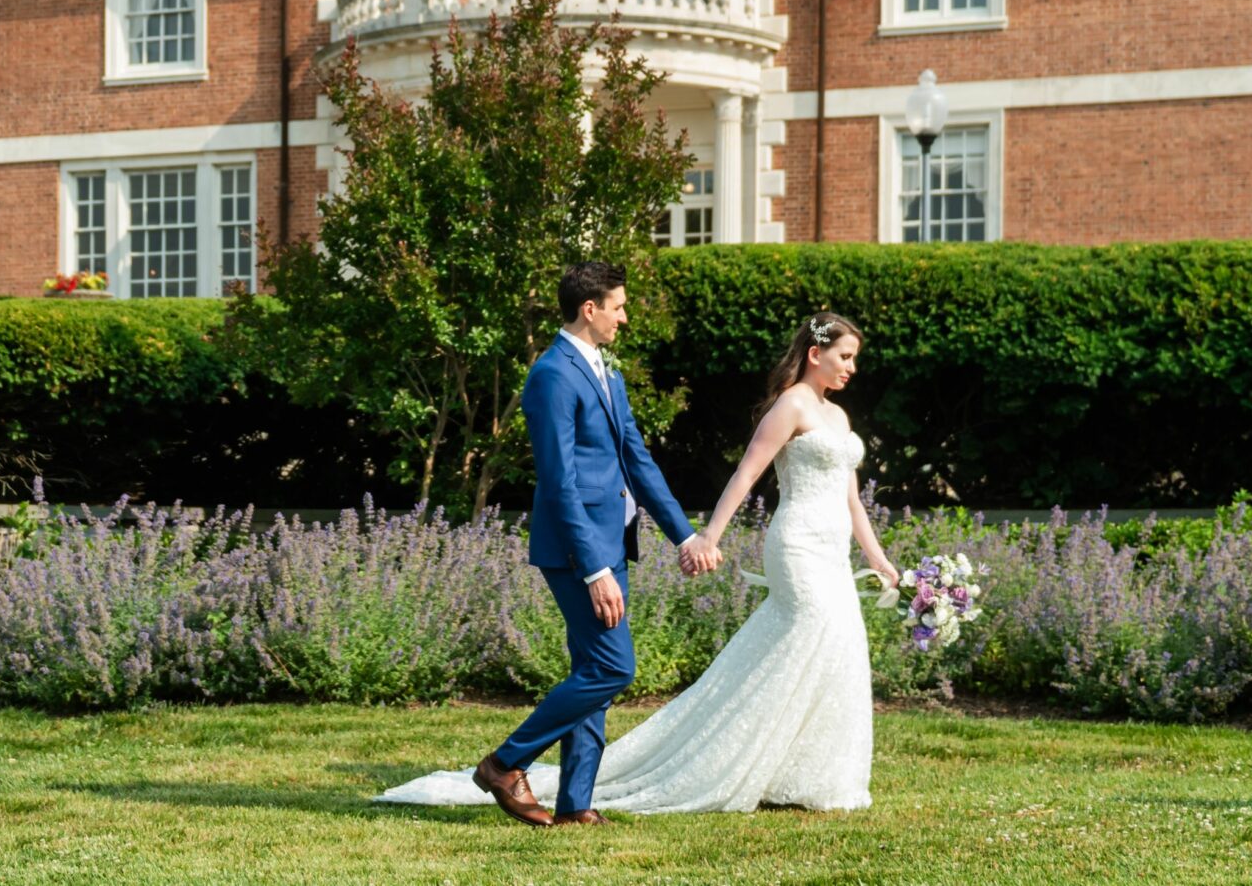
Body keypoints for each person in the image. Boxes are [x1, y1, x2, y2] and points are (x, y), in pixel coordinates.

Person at [378, 306, 899, 821]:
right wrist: (694, 538)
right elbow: (733, 475)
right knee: (612, 667)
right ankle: (505, 762)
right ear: (815, 353)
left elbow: (639, 461)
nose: (624, 317)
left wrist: (689, 537)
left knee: (603, 669)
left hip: (801, 550)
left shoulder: (613, 375)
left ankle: (576, 803)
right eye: (844, 355)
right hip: (630, 549)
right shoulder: (554, 372)